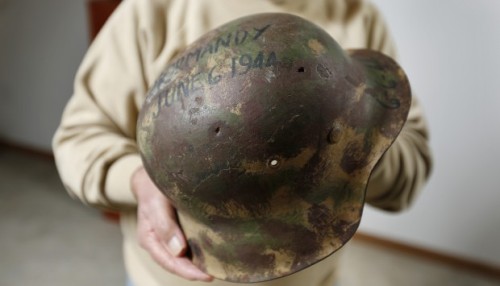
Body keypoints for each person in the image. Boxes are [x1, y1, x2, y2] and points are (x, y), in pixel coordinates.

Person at [52, 0, 433, 285]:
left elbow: (410, 170)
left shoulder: (356, 15)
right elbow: (78, 138)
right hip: (172, 276)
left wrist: (357, 144)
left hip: (311, 277)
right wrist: (139, 181)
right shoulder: (155, 9)